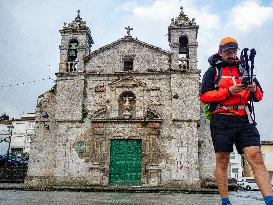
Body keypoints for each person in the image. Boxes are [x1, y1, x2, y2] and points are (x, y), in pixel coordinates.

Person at [200, 37, 273, 205]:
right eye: (228, 51)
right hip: (221, 119)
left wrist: (254, 89)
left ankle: (269, 200)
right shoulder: (213, 72)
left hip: (244, 118)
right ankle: (225, 201)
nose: (232, 54)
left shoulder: (244, 69)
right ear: (220, 52)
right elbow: (204, 96)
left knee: (255, 156)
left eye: (234, 51)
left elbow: (259, 96)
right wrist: (228, 91)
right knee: (223, 159)